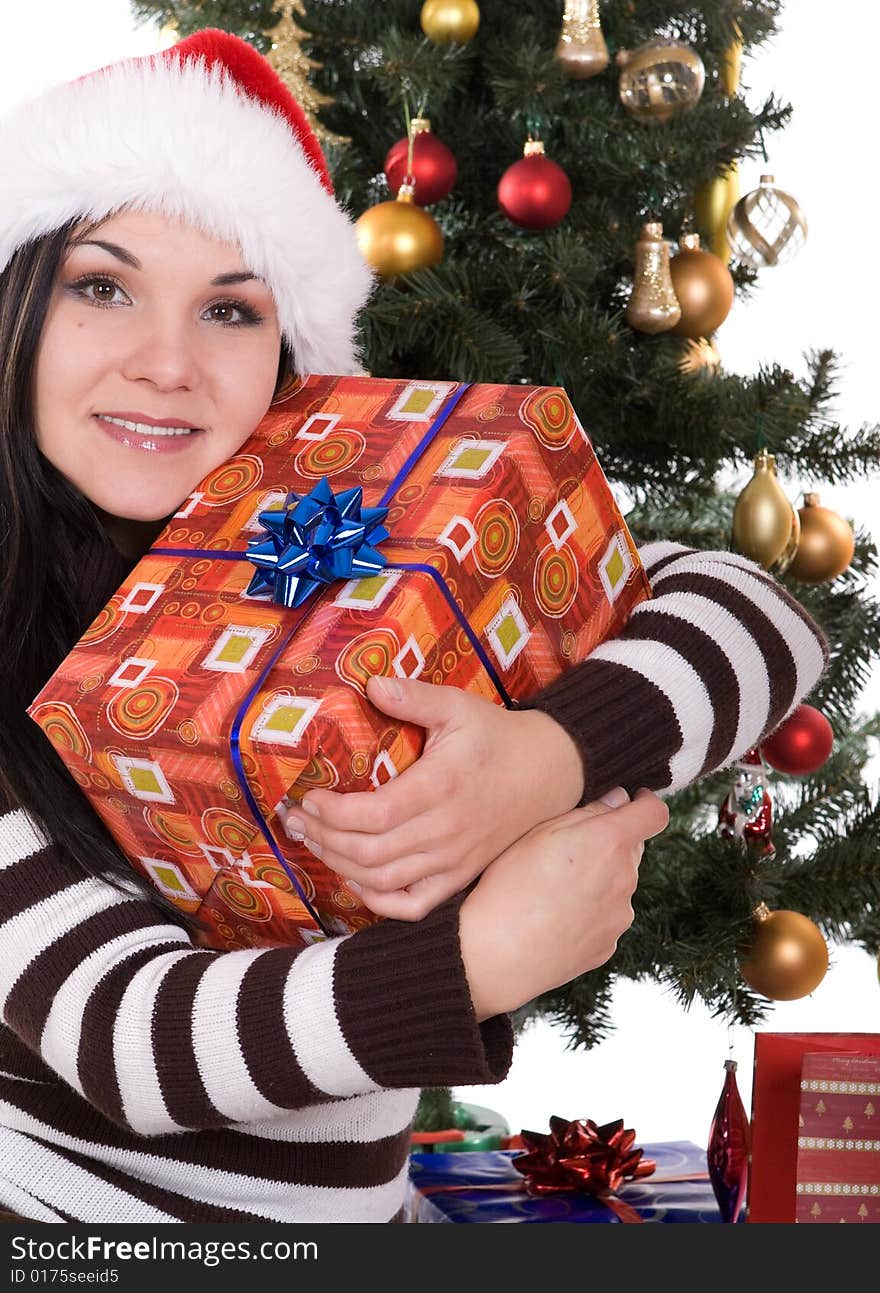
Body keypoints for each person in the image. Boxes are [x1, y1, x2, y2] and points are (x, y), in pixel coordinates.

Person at [0, 30, 826, 1224]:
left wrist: (550, 757)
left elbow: (757, 615)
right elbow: (130, 1038)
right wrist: (484, 956)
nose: (167, 363)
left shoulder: (339, 533)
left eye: (232, 310)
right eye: (101, 286)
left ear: (290, 356)